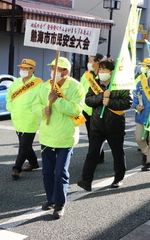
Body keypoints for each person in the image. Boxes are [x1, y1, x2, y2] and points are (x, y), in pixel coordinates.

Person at [32, 56, 85, 219]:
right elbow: (34, 105)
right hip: (47, 135)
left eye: (56, 70)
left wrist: (56, 102)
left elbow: (76, 110)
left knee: (60, 171)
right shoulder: (44, 87)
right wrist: (42, 110)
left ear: (66, 72)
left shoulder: (76, 87)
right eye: (51, 69)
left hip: (65, 136)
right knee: (47, 172)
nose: (52, 72)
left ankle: (60, 202)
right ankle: (51, 199)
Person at [77, 58, 132, 192]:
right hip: (97, 125)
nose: (100, 71)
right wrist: (102, 96)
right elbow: (88, 100)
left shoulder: (122, 84)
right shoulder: (95, 83)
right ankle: (86, 180)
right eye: (100, 69)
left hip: (115, 125)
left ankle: (118, 178)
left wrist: (110, 102)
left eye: (104, 69)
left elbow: (128, 102)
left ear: (112, 72)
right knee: (92, 153)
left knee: (117, 153)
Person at [6, 59, 43, 180]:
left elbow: (42, 101)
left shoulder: (39, 84)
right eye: (21, 68)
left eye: (26, 68)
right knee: (25, 145)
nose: (22, 70)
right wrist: (10, 107)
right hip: (17, 118)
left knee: (24, 146)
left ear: (32, 70)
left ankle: (16, 168)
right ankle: (34, 163)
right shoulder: (16, 82)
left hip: (30, 119)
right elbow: (9, 96)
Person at [133, 60, 150, 171]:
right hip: (141, 115)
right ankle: (148, 153)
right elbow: (135, 97)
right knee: (139, 138)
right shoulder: (141, 82)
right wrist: (136, 106)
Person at [80, 53, 105, 164]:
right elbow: (80, 90)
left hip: (99, 110)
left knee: (98, 134)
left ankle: (95, 155)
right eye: (88, 61)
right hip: (86, 110)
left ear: (97, 63)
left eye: (91, 61)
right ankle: (98, 154)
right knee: (91, 134)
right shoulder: (85, 75)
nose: (88, 63)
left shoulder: (103, 75)